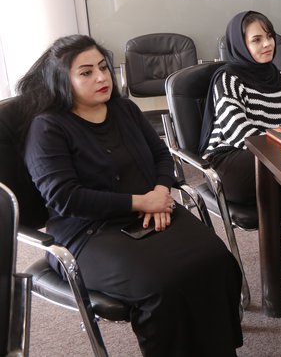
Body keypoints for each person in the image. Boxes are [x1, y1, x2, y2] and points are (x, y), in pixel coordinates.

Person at [20, 35, 243, 356]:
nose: (101, 77)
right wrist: (142, 201)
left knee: (216, 261)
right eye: (86, 72)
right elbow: (64, 197)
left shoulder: (124, 109)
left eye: (103, 67)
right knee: (159, 287)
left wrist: (160, 192)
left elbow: (162, 156)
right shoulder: (47, 128)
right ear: (62, 80)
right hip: (87, 232)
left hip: (150, 209)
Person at [200, 10, 281, 316]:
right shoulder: (228, 79)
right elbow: (241, 133)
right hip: (234, 161)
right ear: (240, 45)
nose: (267, 44)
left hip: (280, 159)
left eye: (269, 37)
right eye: (256, 39)